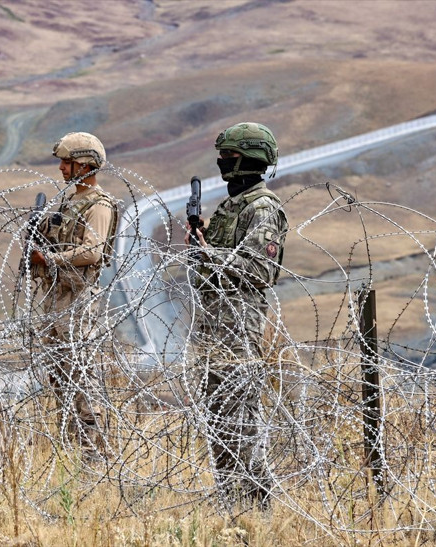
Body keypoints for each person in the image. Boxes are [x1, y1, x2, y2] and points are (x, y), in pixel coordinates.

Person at [184, 122, 288, 508]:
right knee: (220, 419)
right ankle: (239, 500)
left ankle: (249, 504)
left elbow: (260, 270)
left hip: (238, 325)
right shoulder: (233, 206)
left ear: (250, 160)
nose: (223, 162)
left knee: (238, 420)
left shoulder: (261, 208)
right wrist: (201, 241)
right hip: (215, 323)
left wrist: (208, 253)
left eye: (230, 156)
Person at [29, 131, 118, 461]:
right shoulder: (66, 202)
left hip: (78, 300)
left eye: (68, 163)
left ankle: (95, 451)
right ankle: (77, 444)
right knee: (59, 375)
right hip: (55, 296)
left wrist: (49, 258)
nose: (62, 169)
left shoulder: (98, 205)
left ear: (85, 165)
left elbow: (92, 252)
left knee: (81, 375)